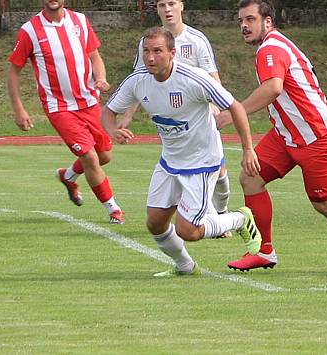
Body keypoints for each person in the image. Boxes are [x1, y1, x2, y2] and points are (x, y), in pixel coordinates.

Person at [217, 0, 327, 273]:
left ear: (268, 21)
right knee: (251, 178)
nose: (244, 25)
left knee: (323, 203)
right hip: (286, 135)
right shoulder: (272, 45)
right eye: (240, 20)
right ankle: (264, 251)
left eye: (250, 19)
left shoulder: (270, 49)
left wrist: (232, 112)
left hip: (318, 138)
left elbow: (273, 88)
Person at [102, 27, 261, 276]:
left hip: (202, 162)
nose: (151, 57)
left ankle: (240, 219)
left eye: (157, 51)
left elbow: (236, 107)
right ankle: (185, 266)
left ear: (172, 53)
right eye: (146, 51)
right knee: (155, 223)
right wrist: (112, 130)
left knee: (188, 230)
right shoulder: (138, 80)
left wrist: (248, 149)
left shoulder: (193, 78)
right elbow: (108, 112)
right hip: (169, 162)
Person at [7, 0, 125, 224]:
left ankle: (68, 176)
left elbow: (94, 56)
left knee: (105, 155)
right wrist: (19, 109)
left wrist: (101, 77)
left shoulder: (80, 21)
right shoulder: (30, 30)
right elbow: (14, 72)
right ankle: (113, 209)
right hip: (59, 107)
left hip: (89, 101)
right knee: (91, 157)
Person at [119, 0, 231, 218]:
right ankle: (208, 217)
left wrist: (217, 108)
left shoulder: (197, 40)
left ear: (181, 6)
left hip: (200, 112)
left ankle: (222, 211)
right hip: (172, 114)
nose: (167, 9)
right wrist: (127, 115)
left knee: (219, 172)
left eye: (172, 4)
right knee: (185, 164)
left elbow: (213, 78)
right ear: (157, 10)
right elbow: (138, 81)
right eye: (162, 5)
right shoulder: (148, 42)